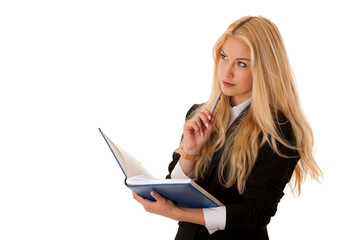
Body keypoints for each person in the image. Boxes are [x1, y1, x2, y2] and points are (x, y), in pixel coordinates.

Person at [133, 15, 322, 240]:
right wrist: (190, 153)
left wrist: (178, 212)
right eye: (224, 57)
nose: (226, 72)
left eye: (241, 63)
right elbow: (175, 189)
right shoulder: (199, 114)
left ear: (264, 69)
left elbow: (255, 214)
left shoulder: (279, 130)